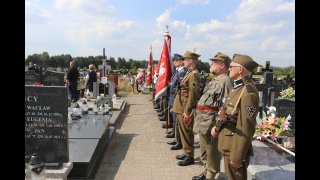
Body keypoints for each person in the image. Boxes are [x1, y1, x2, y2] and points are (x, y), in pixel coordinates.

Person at [211, 53, 259, 180]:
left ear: (241, 70)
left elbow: (246, 127)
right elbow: (227, 112)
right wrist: (217, 127)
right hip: (228, 143)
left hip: (234, 147)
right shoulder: (237, 88)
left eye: (232, 67)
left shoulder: (248, 93)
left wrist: (237, 155)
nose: (228, 69)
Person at [192, 52, 233, 180]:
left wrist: (217, 125)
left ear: (221, 65)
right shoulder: (216, 79)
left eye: (214, 62)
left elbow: (225, 106)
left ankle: (210, 175)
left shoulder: (225, 81)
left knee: (212, 151)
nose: (211, 65)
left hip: (212, 123)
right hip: (204, 120)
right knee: (205, 150)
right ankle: (206, 172)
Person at [172, 50, 201, 166]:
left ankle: (190, 156)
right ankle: (186, 151)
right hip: (180, 106)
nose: (182, 61)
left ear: (191, 61)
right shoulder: (189, 72)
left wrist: (187, 110)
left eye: (184, 59)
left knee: (187, 131)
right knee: (183, 131)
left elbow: (193, 94)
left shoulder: (194, 74)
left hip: (185, 107)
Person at [165, 53, 188, 149]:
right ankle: (176, 139)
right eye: (174, 60)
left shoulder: (182, 72)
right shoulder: (177, 71)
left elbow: (179, 87)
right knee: (175, 121)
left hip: (176, 98)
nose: (174, 62)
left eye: (175, 60)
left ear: (181, 61)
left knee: (177, 121)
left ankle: (179, 141)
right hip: (173, 98)